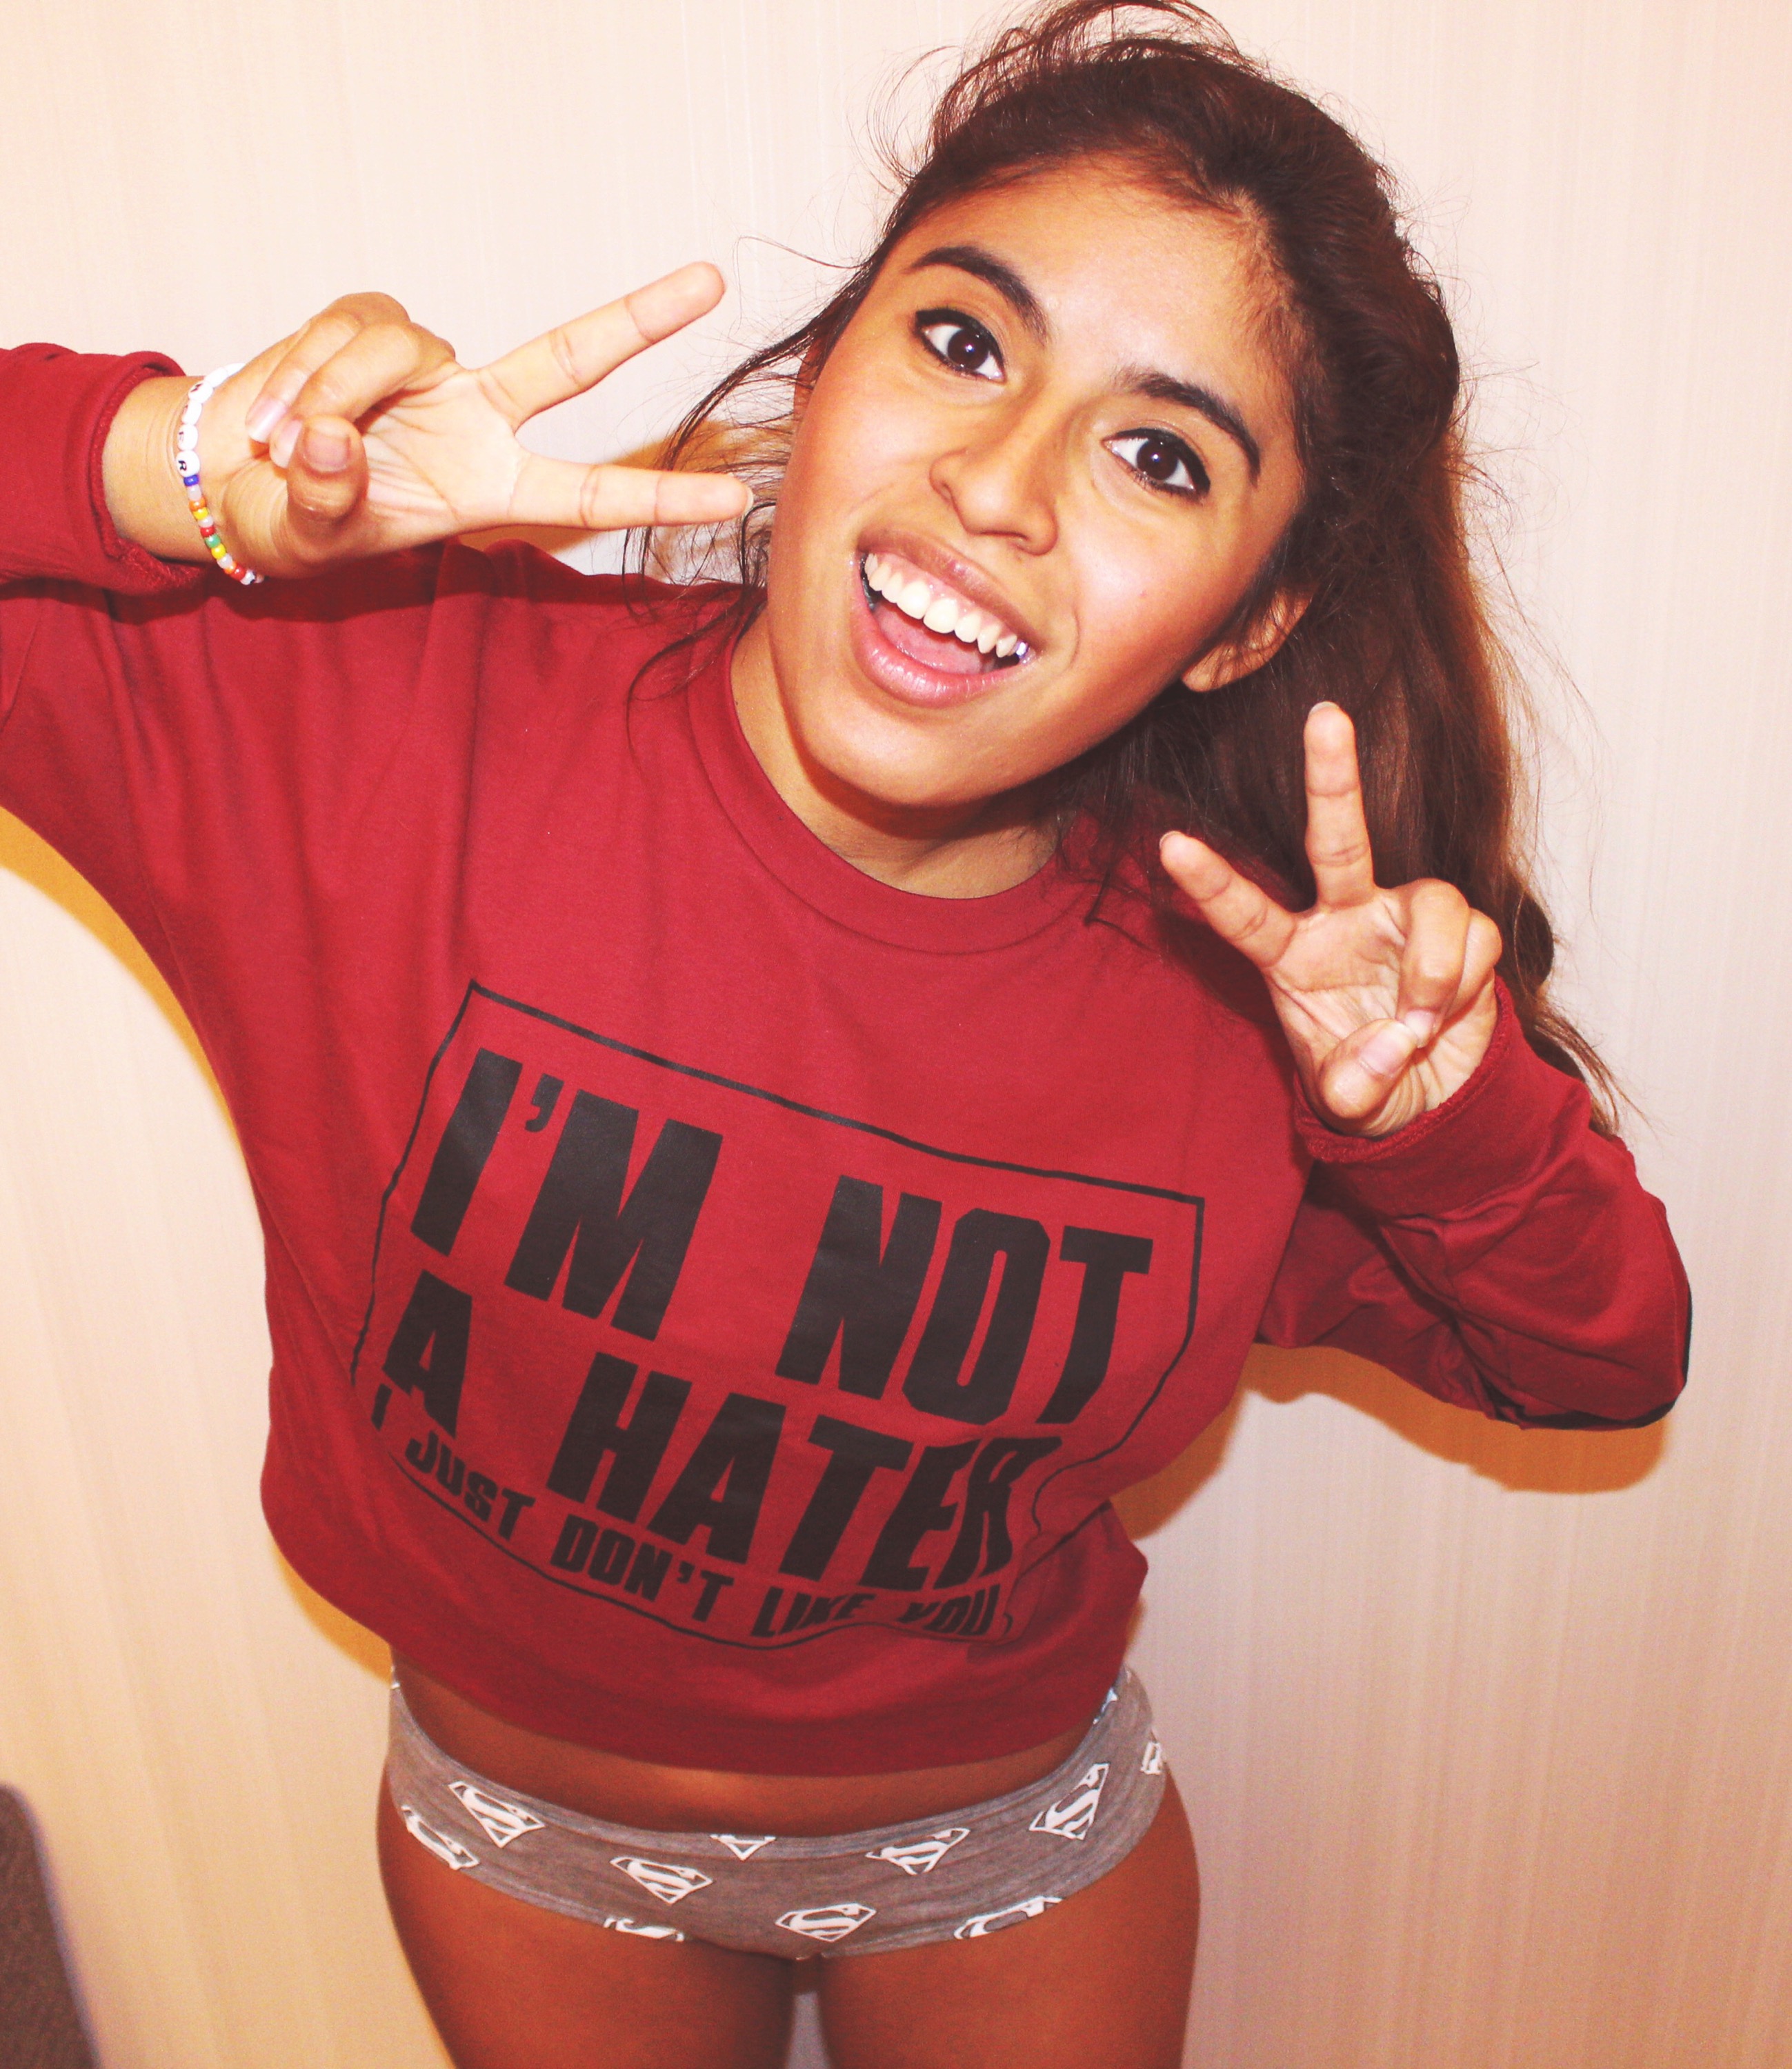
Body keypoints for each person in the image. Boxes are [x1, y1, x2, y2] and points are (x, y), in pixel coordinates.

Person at [0, 3, 1689, 2063]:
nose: (998, 486)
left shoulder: (1261, 985)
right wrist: (179, 469)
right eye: (964, 343)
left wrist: (1451, 1120)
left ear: (1248, 618)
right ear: (821, 377)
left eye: (1161, 456)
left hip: (1001, 1857)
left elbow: (1600, 1364)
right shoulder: (375, 702)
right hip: (526, 1839)